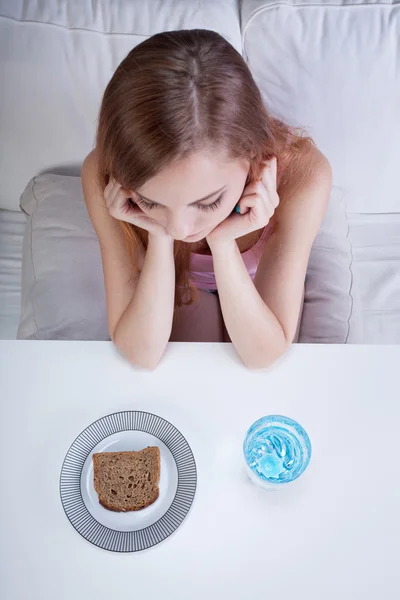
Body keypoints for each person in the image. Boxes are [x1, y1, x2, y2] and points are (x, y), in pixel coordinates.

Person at [81, 29, 332, 370]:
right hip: (173, 276)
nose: (181, 227)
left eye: (207, 203)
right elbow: (141, 353)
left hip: (255, 280)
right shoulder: (103, 173)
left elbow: (264, 355)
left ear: (253, 161)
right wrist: (158, 238)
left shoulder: (305, 176)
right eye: (150, 202)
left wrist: (223, 242)